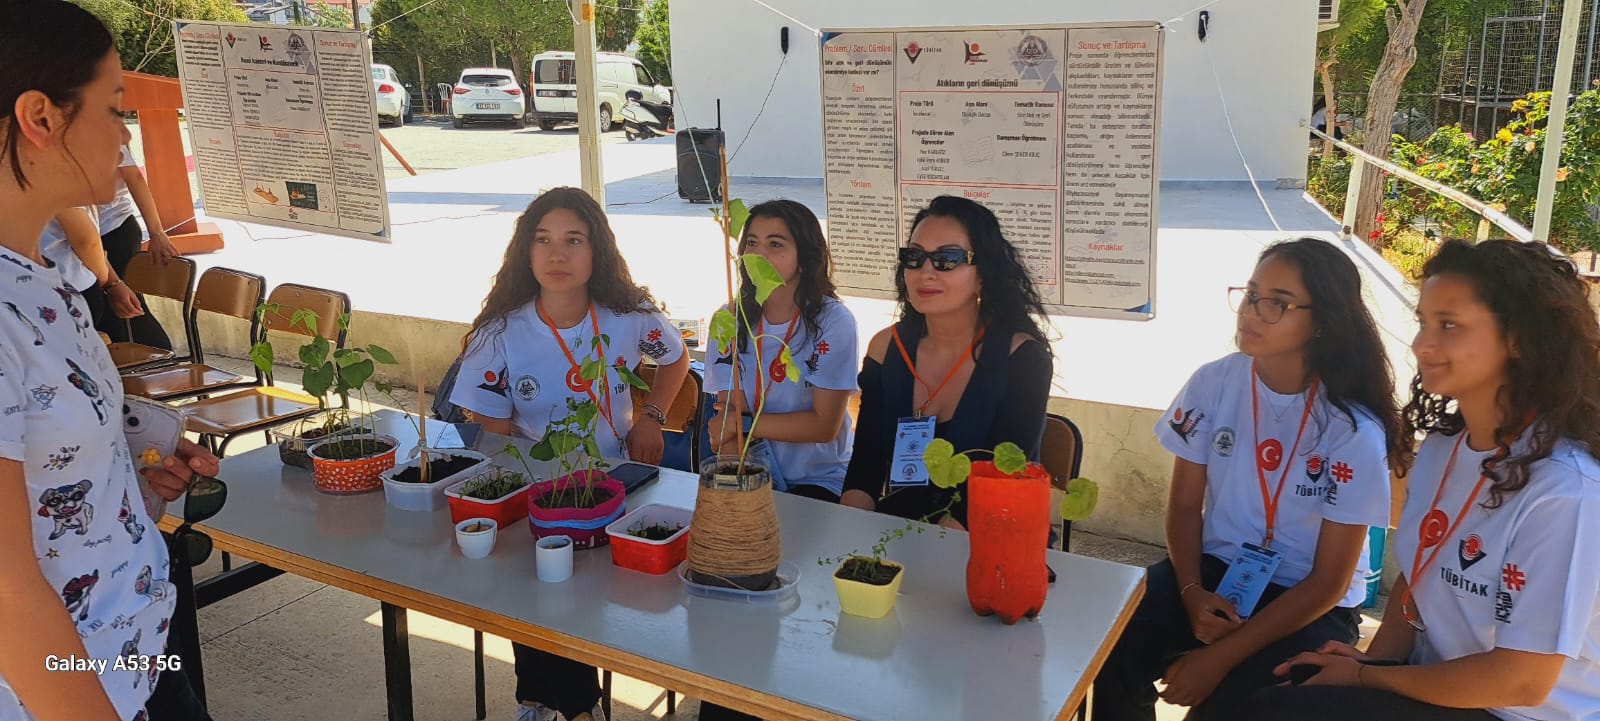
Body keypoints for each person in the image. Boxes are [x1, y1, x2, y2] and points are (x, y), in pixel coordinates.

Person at [1238, 239, 1600, 721]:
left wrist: (1365, 679)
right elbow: (1417, 580)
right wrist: (1369, 666)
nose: (1422, 345)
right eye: (1423, 322)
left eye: (1449, 325)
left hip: (1518, 714)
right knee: (1267, 690)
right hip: (1433, 688)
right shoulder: (1444, 448)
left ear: (1519, 340)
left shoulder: (1565, 490)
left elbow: (1522, 681)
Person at [0, 3, 223, 720]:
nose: (124, 134)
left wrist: (124, 473)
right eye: (113, 108)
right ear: (41, 117)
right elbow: (6, 590)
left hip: (134, 650)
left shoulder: (44, 281)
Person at [1092, 237, 1406, 721]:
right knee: (1109, 639)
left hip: (1308, 602)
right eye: (1251, 294)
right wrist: (1191, 593)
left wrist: (1218, 658)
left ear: (1323, 321)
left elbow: (1329, 581)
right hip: (1213, 572)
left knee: (1235, 704)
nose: (1252, 313)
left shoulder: (1350, 428)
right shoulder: (1213, 383)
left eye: (1277, 303)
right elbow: (1183, 508)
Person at [449, 186, 688, 721]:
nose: (557, 255)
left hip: (615, 485)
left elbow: (675, 358)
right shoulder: (502, 331)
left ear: (597, 249)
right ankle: (555, 702)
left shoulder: (629, 316)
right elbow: (495, 435)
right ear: (526, 251)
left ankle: (558, 701)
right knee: (535, 587)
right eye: (543, 240)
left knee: (582, 597)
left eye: (573, 240)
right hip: (534, 486)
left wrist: (651, 416)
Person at [839, 195, 1053, 528]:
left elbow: (1002, 478)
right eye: (914, 257)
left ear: (983, 275)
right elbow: (865, 466)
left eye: (947, 259)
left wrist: (934, 549)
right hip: (900, 533)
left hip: (993, 532)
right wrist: (849, 537)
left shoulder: (1022, 358)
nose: (926, 272)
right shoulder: (886, 347)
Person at [706, 199, 858, 502]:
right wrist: (737, 484)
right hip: (750, 471)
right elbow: (727, 419)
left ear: (804, 258)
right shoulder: (729, 318)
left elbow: (823, 426)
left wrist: (743, 425)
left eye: (775, 244)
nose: (758, 254)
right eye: (751, 243)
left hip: (818, 479)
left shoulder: (833, 320)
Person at [94, 143, 177, 348]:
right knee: (108, 314)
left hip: (115, 229)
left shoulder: (99, 130)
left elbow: (135, 177)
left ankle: (161, 358)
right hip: (88, 237)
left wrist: (157, 232)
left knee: (128, 310)